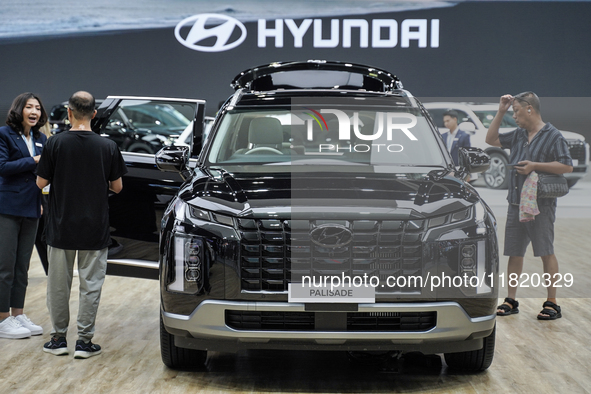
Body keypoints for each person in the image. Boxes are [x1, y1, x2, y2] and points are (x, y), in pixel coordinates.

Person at [37, 91, 127, 358]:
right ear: (94, 114)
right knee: (91, 285)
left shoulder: (55, 144)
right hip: (94, 227)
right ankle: (85, 343)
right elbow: (118, 187)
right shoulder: (107, 146)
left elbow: (40, 183)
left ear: (69, 112)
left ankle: (58, 340)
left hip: (61, 226)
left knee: (58, 285)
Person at [485, 92, 572, 320]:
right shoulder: (519, 134)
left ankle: (552, 302)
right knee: (514, 252)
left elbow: (566, 166)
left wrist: (535, 165)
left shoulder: (553, 135)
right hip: (515, 203)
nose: (514, 116)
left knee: (545, 251)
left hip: (541, 205)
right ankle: (511, 300)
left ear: (530, 108)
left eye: (516, 111)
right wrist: (501, 110)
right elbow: (491, 140)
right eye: (512, 112)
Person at [0, 92, 48, 339]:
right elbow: (3, 167)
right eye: (29, 107)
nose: (34, 111)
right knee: (5, 266)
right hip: (7, 207)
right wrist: (34, 159)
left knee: (22, 266)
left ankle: (18, 314)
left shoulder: (41, 138)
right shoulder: (4, 134)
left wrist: (40, 201)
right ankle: (2, 318)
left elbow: (41, 176)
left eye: (38, 108)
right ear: (19, 110)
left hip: (31, 207)